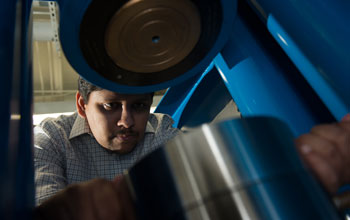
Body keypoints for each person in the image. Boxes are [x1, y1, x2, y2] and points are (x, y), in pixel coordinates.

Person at [34, 77, 180, 206]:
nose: (127, 122)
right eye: (111, 106)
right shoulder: (52, 138)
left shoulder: (163, 135)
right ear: (82, 105)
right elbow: (47, 210)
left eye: (139, 106)